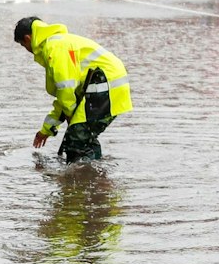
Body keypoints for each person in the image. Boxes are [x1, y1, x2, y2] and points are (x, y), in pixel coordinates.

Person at [15, 16, 132, 162]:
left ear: (27, 38)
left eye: (22, 45)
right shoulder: (56, 44)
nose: (26, 50)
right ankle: (97, 176)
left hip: (104, 86)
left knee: (75, 142)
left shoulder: (54, 47)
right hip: (106, 87)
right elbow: (64, 99)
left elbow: (66, 89)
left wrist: (71, 118)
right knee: (84, 136)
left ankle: (82, 180)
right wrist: (46, 130)